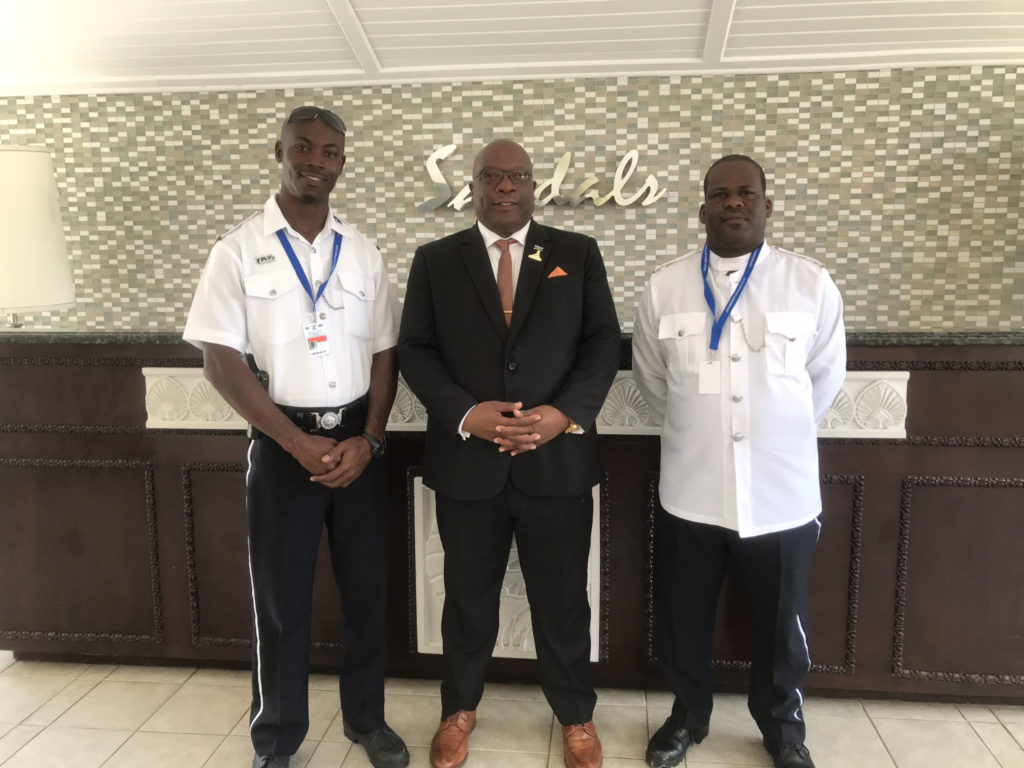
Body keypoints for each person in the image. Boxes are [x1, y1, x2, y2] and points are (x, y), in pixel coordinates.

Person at [182, 106, 409, 768]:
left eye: (330, 151)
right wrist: (292, 442)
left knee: (366, 594)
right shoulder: (236, 249)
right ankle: (277, 739)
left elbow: (385, 353)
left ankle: (367, 720)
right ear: (278, 151)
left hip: (359, 449)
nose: (316, 160)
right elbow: (219, 360)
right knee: (281, 603)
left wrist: (371, 438)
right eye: (303, 147)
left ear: (343, 162)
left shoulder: (362, 251)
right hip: (285, 451)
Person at [398, 139, 621, 768]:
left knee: (563, 601)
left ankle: (575, 715)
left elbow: (602, 342)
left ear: (533, 186)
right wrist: (466, 413)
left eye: (516, 176)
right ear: (471, 186)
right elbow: (415, 348)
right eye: (491, 177)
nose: (504, 187)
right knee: (467, 600)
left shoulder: (576, 253)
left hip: (558, 464)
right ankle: (458, 711)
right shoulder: (436, 260)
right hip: (467, 465)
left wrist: (563, 415)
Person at [631, 155, 846, 768]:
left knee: (781, 623)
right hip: (692, 488)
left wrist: (772, 431)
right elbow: (652, 381)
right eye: (720, 194)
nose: (733, 203)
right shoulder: (665, 286)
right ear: (702, 209)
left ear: (766, 206)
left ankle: (782, 728)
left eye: (746, 193)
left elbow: (824, 380)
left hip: (781, 493)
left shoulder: (810, 284)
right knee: (685, 616)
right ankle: (686, 717)